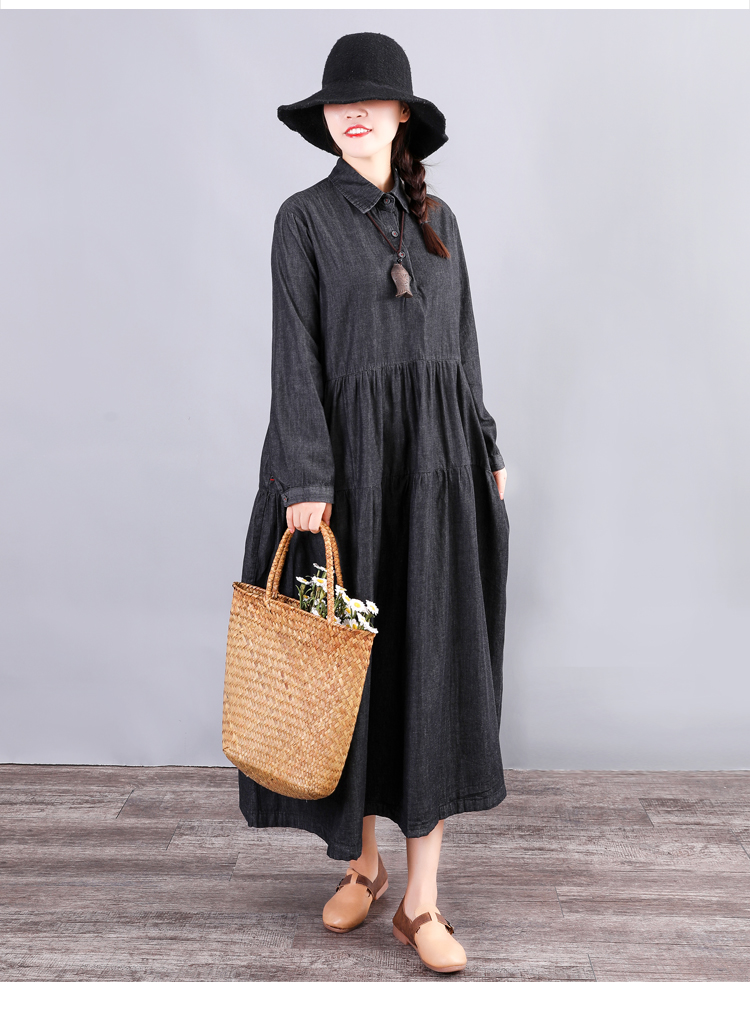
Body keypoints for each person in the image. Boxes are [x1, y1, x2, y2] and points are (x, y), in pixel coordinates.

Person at [238, 32, 510, 974]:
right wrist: (306, 479)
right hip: (346, 474)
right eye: (339, 103)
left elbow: (463, 346)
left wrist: (486, 447)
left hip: (438, 471)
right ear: (327, 120)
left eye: (371, 101)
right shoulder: (303, 220)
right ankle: (363, 866)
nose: (353, 114)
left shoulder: (443, 220)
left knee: (431, 663)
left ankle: (421, 902)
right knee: (347, 671)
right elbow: (295, 356)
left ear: (401, 117)